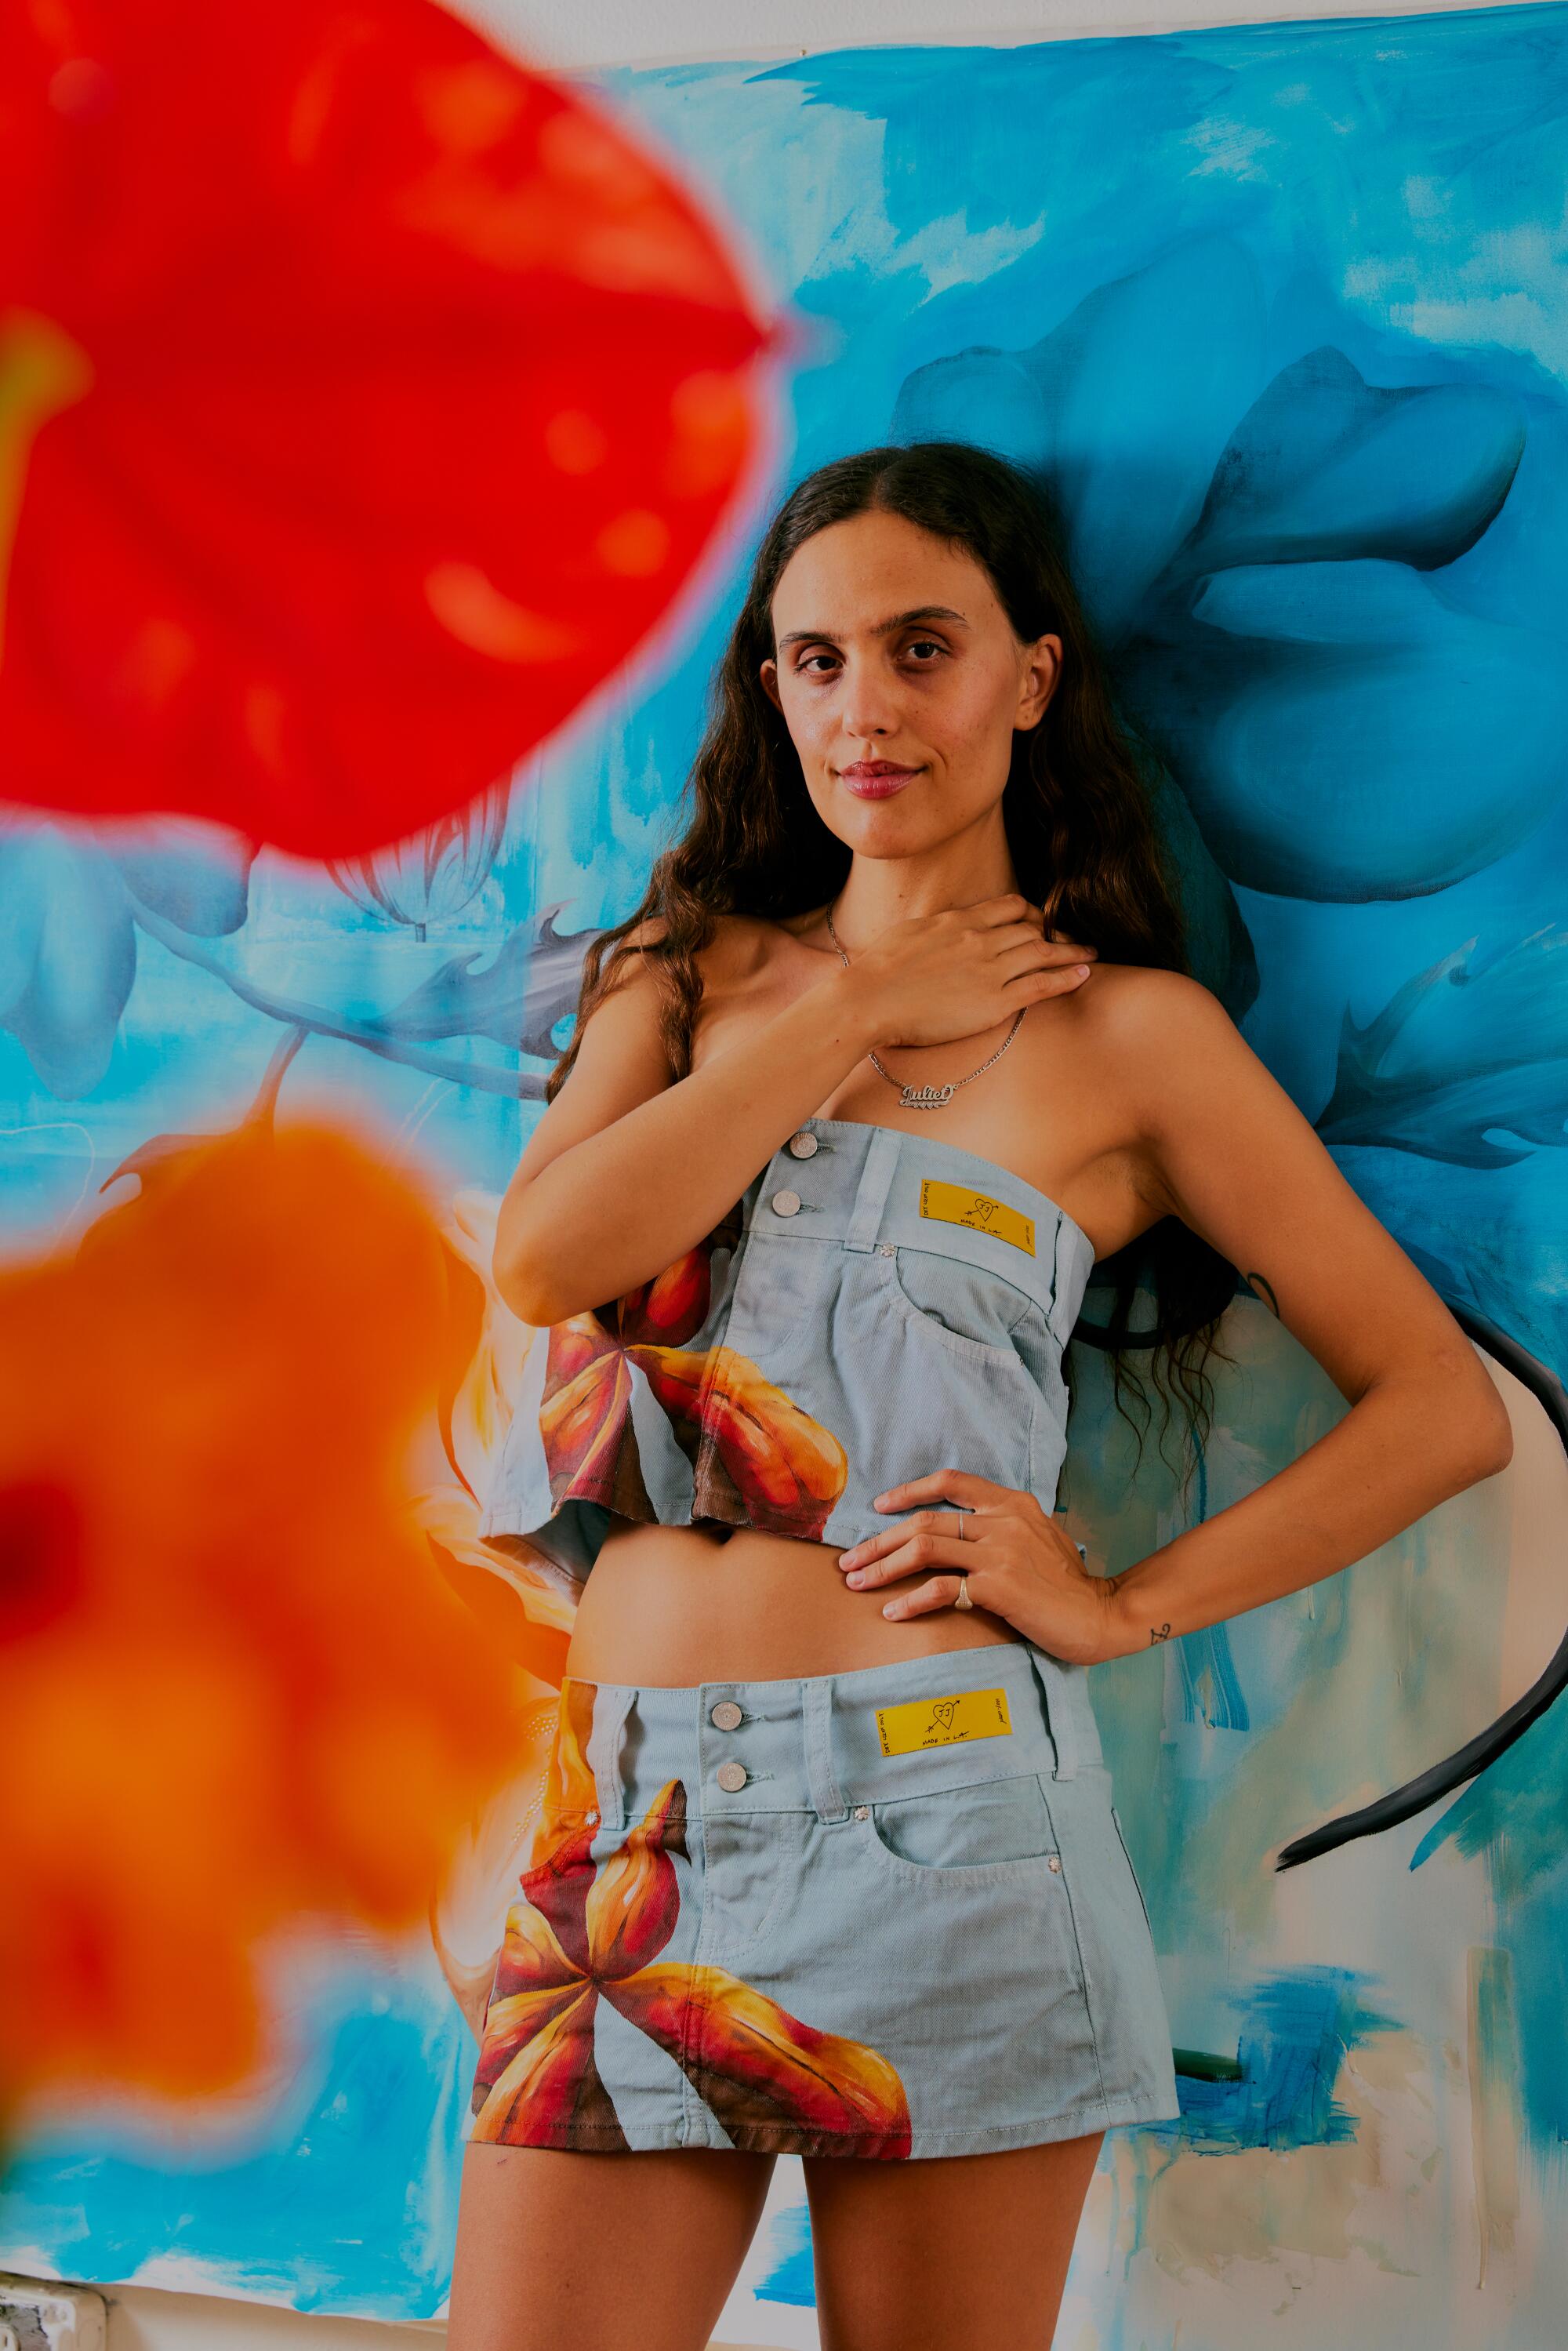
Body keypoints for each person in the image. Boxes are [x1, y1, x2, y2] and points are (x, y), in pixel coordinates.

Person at [444, 441, 1513, 2351]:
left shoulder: (1131, 1041)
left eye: (919, 647)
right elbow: (543, 1260)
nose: (865, 707)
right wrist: (858, 1002)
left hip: (949, 1820)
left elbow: (1441, 1404)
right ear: (772, 692)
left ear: (1028, 673)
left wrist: (1120, 1605)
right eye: (818, 659)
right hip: (625, 1822)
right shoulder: (684, 978)